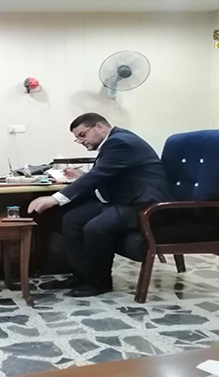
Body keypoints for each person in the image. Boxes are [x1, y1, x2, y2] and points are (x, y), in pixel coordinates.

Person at [28, 113, 173, 297]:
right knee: (72, 219)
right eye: (78, 138)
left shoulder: (121, 142)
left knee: (95, 227)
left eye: (83, 135)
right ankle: (81, 276)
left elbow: (98, 176)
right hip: (124, 201)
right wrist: (83, 177)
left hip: (144, 205)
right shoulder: (114, 142)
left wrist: (55, 199)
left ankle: (100, 282)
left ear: (100, 127)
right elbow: (106, 174)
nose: (81, 141)